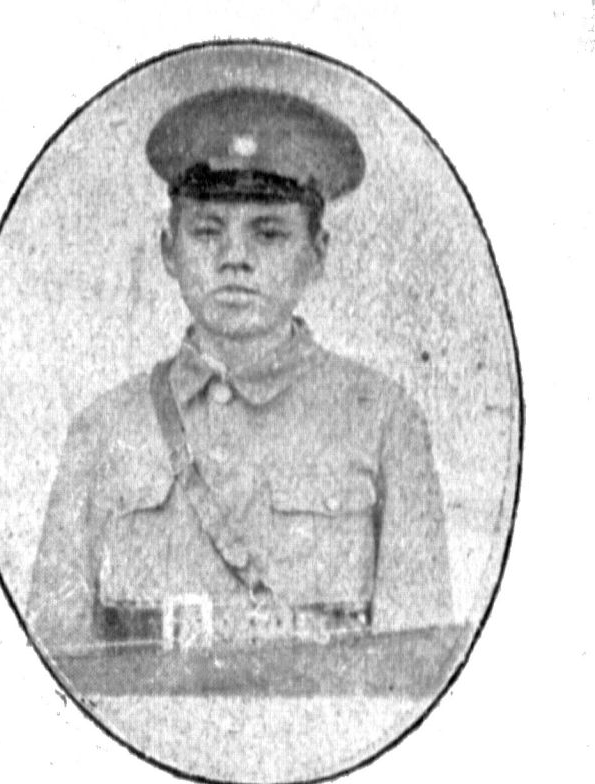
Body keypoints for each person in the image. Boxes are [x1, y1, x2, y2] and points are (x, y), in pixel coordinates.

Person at [28, 87, 453, 655]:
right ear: (169, 251)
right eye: (207, 231)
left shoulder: (383, 419)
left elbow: (415, 662)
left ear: (318, 253)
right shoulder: (102, 430)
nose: (235, 258)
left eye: (268, 233)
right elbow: (55, 659)